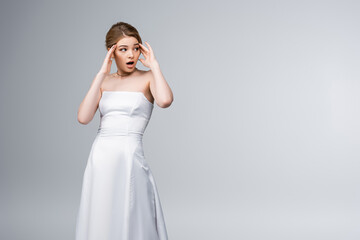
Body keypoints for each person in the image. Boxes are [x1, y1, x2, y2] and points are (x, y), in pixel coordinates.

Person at [75, 21, 173, 240]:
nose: (131, 55)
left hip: (130, 157)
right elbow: (83, 117)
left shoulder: (148, 78)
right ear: (112, 52)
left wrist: (155, 66)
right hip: (101, 157)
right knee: (101, 214)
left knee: (133, 214)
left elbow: (165, 100)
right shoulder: (104, 81)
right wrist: (101, 73)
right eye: (123, 49)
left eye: (136, 48)